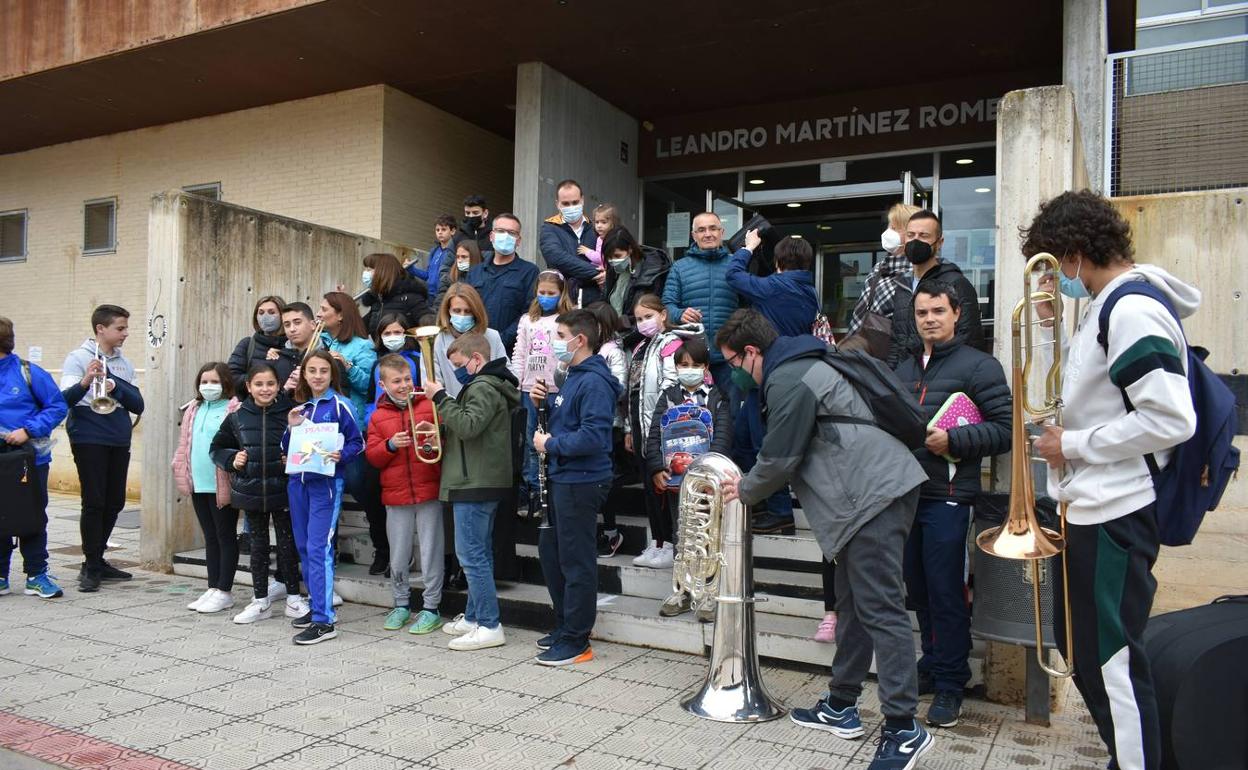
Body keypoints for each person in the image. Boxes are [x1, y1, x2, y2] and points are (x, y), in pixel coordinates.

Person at [715, 308, 933, 770]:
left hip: (870, 494)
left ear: (752, 352)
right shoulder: (805, 363)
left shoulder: (790, 376)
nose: (733, 374)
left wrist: (746, 490)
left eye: (733, 363)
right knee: (853, 603)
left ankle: (904, 727)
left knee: (882, 607)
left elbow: (780, 456)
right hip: (867, 494)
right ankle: (842, 702)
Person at [1027, 190, 1198, 770]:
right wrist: (1049, 325)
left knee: (1112, 664)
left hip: (1116, 510)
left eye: (1055, 263)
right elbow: (1077, 393)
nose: (1057, 278)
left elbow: (1170, 418)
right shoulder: (1105, 306)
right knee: (1088, 656)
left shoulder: (1131, 309)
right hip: (1093, 505)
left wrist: (1070, 445)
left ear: (1074, 252)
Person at [893, 280, 1012, 726]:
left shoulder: (980, 366)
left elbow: (1005, 430)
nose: (929, 319)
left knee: (945, 591)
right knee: (919, 589)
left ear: (956, 313)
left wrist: (955, 439)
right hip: (905, 495)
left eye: (938, 311)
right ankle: (933, 663)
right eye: (922, 313)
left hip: (947, 496)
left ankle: (950, 683)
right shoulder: (903, 368)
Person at [530, 309, 622, 665]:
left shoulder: (594, 381)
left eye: (560, 335)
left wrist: (550, 446)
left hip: (581, 480)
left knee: (576, 559)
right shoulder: (573, 376)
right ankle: (565, 624)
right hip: (563, 478)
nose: (556, 342)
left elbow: (594, 436)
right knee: (553, 553)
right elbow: (564, 423)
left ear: (578, 340)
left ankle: (577, 638)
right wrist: (541, 403)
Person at [424, 332, 520, 651]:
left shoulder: (482, 386)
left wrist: (440, 399)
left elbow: (469, 425)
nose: (456, 371)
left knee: (471, 555)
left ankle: (490, 624)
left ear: (476, 360)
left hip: (474, 482)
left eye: (459, 364)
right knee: (478, 553)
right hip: (477, 478)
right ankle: (474, 615)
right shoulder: (487, 385)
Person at [726, 233, 820, 535]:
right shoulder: (806, 288)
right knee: (742, 438)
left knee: (763, 442)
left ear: (779, 262)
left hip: (769, 372)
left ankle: (779, 511)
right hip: (782, 372)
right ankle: (763, 500)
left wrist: (747, 249)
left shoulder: (778, 286)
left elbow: (734, 275)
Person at [643, 336, 732, 617]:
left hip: (707, 484)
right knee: (681, 533)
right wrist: (657, 468)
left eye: (694, 364)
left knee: (708, 535)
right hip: (675, 483)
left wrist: (711, 473)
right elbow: (655, 433)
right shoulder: (668, 396)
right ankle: (682, 590)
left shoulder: (717, 397)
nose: (688, 369)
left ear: (705, 366)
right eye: (683, 364)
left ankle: (709, 592)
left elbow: (723, 436)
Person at [59, 304, 145, 593]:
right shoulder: (77, 358)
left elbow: (138, 404)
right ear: (101, 329)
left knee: (115, 502)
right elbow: (65, 400)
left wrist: (114, 387)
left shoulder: (124, 363)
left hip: (118, 436)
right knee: (94, 501)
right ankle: (91, 564)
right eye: (120, 328)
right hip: (88, 435)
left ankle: (97, 559)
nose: (125, 333)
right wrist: (87, 380)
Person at [211, 363, 303, 625]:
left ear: (278, 386)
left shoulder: (290, 413)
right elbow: (217, 447)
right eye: (259, 384)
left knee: (288, 546)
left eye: (271, 384)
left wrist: (293, 457)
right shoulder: (237, 417)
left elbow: (307, 444)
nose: (265, 389)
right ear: (249, 387)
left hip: (284, 490)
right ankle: (260, 600)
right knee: (259, 547)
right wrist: (232, 459)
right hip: (250, 492)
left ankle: (294, 598)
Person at [284, 349, 364, 645]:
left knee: (319, 548)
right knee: (304, 546)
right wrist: (291, 427)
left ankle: (324, 620)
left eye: (323, 371)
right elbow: (288, 447)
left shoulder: (341, 405)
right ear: (304, 374)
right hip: (298, 483)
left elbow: (359, 442)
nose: (317, 376)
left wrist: (342, 454)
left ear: (332, 374)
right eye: (312, 371)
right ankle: (318, 604)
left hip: (326, 486)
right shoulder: (301, 407)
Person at [366, 354, 445, 635]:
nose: (404, 386)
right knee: (398, 555)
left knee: (431, 552)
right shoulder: (377, 416)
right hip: (396, 495)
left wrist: (435, 438)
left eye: (408, 379)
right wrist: (389, 445)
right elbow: (373, 458)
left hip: (428, 490)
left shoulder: (429, 405)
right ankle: (400, 604)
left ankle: (431, 607)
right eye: (397, 381)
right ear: (383, 383)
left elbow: (443, 444)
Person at [625, 294, 703, 569]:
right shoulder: (639, 349)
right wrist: (629, 428)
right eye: (639, 319)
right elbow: (631, 390)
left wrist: (660, 428)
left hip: (661, 429)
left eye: (649, 316)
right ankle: (657, 541)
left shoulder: (670, 345)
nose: (644, 322)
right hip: (639, 426)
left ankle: (671, 542)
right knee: (649, 488)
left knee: (664, 489)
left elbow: (670, 388)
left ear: (663, 315)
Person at [0, 316, 69, 600]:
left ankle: (37, 575)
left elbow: (56, 406)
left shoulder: (28, 372)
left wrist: (28, 430)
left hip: (28, 460)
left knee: (32, 515)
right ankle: (1, 576)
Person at [172, 362, 241, 615]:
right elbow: (185, 442)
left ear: (225, 383)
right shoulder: (194, 407)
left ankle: (225, 590)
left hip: (221, 483)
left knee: (225, 535)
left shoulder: (234, 409)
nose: (208, 386)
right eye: (204, 381)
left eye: (214, 381)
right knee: (209, 536)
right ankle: (213, 587)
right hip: (197, 482)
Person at [359, 312, 424, 577]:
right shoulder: (377, 365)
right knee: (367, 486)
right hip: (381, 433)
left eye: (398, 331)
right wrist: (371, 420)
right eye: (387, 333)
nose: (392, 337)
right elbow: (368, 398)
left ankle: (405, 555)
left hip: (410, 432)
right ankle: (383, 549)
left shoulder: (418, 360)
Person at [885, 210, 985, 369]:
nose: (915, 241)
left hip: (944, 377)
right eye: (911, 235)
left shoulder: (956, 283)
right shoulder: (902, 285)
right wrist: (891, 377)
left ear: (939, 242)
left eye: (923, 236)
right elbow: (897, 341)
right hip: (907, 380)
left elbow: (969, 338)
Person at [509, 270, 572, 510]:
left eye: (551, 293)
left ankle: (553, 487)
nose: (545, 297)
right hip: (529, 388)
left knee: (554, 438)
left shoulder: (565, 319)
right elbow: (520, 352)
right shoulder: (528, 320)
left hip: (556, 387)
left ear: (561, 293)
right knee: (530, 440)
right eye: (541, 292)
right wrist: (516, 382)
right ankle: (534, 489)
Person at [662, 212, 741, 389]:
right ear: (694, 235)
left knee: (731, 414)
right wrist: (680, 313)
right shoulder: (680, 267)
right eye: (701, 230)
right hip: (692, 361)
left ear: (722, 232)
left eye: (713, 228)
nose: (708, 234)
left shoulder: (736, 265)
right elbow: (666, 307)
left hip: (730, 358)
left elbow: (749, 306)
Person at [844, 202, 921, 354]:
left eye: (894, 228)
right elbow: (860, 316)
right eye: (889, 227)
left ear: (911, 234)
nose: (888, 233)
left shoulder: (918, 274)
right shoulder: (879, 269)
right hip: (866, 353)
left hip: (897, 358)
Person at [584, 301, 628, 557]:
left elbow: (619, 386)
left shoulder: (612, 351)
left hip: (609, 424)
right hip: (589, 423)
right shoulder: (590, 350)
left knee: (605, 481)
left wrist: (595, 391)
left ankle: (611, 533)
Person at [467, 213, 539, 355]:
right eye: (500, 231)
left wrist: (499, 340)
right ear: (491, 236)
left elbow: (529, 313)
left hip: (511, 352)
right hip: (475, 349)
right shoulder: (475, 272)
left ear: (518, 241)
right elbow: (466, 308)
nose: (505, 236)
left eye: (512, 233)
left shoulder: (529, 272)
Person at [431, 284, 507, 399]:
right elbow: (433, 383)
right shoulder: (437, 339)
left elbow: (508, 375)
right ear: (448, 311)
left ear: (476, 312)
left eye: (468, 311)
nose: (462, 315)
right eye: (457, 310)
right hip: (451, 410)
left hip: (489, 407)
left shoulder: (492, 336)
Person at [539, 179, 603, 306]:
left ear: (583, 200)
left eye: (575, 202)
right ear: (557, 204)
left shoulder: (596, 228)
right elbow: (557, 259)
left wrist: (609, 272)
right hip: (563, 302)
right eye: (566, 203)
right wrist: (599, 273)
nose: (571, 207)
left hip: (596, 302)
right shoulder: (549, 228)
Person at [318, 292, 379, 423]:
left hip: (351, 419)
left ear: (340, 315)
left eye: (324, 309)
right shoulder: (319, 341)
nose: (318, 314)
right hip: (324, 417)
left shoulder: (363, 346)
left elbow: (369, 386)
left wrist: (348, 366)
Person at [601, 227, 670, 329]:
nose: (613, 261)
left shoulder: (651, 272)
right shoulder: (614, 271)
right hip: (616, 333)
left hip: (638, 333)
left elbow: (649, 314)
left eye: (617, 255)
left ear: (630, 249)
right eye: (609, 257)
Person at [226, 295, 293, 392]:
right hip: (251, 405)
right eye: (261, 313)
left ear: (283, 316)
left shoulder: (291, 346)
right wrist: (259, 380)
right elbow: (231, 377)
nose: (265, 317)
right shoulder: (247, 344)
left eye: (271, 312)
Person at [361, 253, 430, 338]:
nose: (365, 273)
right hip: (381, 350)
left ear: (383, 271)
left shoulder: (411, 298)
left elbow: (428, 325)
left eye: (369, 269)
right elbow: (360, 328)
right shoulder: (379, 299)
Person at [406, 213, 457, 307]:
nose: (440, 232)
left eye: (443, 229)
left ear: (453, 231)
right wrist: (411, 269)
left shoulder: (456, 252)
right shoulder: (434, 251)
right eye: (437, 230)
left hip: (444, 295)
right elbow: (428, 275)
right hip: (429, 295)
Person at [576, 203, 621, 272]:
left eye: (604, 222)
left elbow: (600, 258)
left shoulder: (615, 238)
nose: (599, 226)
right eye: (597, 222)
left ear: (613, 224)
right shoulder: (600, 238)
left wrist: (587, 251)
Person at [453, 194, 494, 261]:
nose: (471, 216)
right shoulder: (458, 237)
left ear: (485, 213)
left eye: (475, 213)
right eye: (468, 213)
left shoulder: (494, 238)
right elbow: (447, 265)